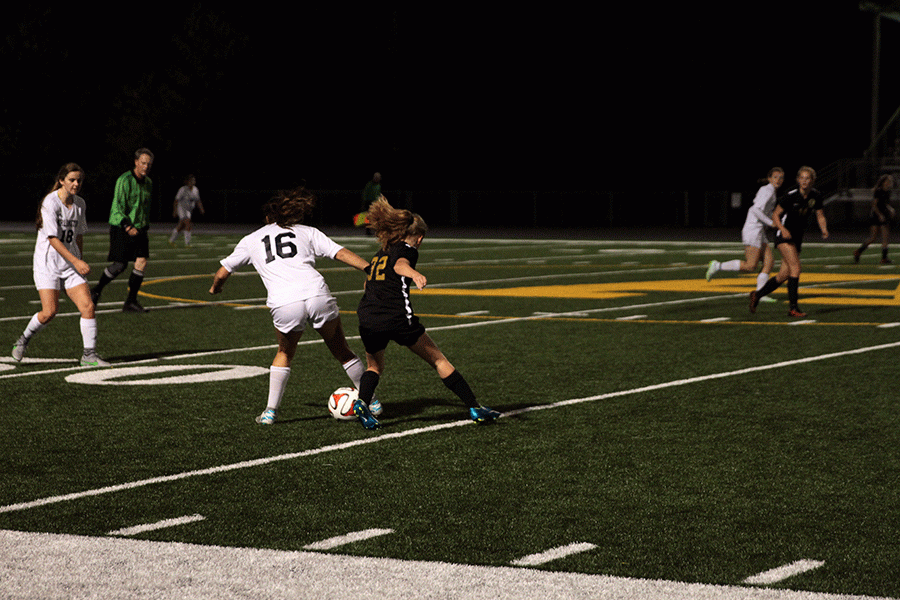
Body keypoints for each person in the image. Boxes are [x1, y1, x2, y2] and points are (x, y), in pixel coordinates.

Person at [209, 186, 376, 425]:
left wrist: (216, 287)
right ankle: (373, 402)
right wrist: (369, 269)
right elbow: (339, 253)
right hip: (316, 293)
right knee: (341, 350)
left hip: (285, 302)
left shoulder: (251, 239)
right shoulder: (307, 231)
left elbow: (223, 272)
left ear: (268, 218)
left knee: (285, 353)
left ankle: (269, 412)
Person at [353, 196, 500, 430]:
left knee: (374, 367)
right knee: (439, 359)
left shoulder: (380, 252)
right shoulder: (407, 249)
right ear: (419, 238)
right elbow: (400, 265)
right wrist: (414, 274)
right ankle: (475, 407)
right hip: (397, 318)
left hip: (368, 317)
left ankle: (362, 402)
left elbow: (368, 283)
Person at [11, 163, 109, 367]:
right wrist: (77, 261)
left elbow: (79, 235)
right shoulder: (51, 202)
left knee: (88, 306)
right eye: (72, 179)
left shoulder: (80, 204)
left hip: (70, 266)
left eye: (79, 180)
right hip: (48, 265)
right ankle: (23, 340)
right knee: (49, 312)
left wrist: (78, 260)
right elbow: (53, 239)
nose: (76, 183)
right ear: (61, 180)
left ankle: (88, 355)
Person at [750, 166, 829, 317]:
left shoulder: (816, 196)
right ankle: (793, 308)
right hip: (784, 235)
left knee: (783, 275)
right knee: (796, 269)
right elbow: (775, 215)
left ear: (812, 181)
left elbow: (820, 215)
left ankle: (757, 295)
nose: (805, 181)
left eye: (808, 178)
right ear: (798, 180)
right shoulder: (790, 196)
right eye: (802, 178)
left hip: (797, 236)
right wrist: (783, 229)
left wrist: (824, 229)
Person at [91, 148, 154, 313]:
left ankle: (131, 301)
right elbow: (117, 207)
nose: (146, 166)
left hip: (140, 229)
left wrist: (143, 225)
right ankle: (96, 290)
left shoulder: (149, 183)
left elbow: (145, 209)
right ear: (136, 162)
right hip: (121, 227)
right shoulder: (124, 180)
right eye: (143, 163)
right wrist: (127, 225)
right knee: (120, 265)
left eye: (148, 164)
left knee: (141, 262)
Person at [706, 168, 784, 300]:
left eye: (781, 178)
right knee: (750, 266)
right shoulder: (767, 190)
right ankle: (717, 266)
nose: (778, 180)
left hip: (759, 231)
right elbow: (755, 209)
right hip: (753, 229)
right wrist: (771, 223)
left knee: (769, 262)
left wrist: (776, 220)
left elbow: (765, 212)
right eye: (775, 177)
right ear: (769, 178)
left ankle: (760, 293)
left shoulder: (772, 192)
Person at [853, 174, 894, 264]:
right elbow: (874, 205)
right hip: (876, 215)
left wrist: (890, 209)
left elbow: (884, 204)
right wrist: (879, 215)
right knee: (873, 238)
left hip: (884, 214)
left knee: (885, 238)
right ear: (883, 182)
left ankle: (884, 258)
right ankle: (858, 251)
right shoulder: (878, 191)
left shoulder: (888, 192)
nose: (889, 183)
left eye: (890, 182)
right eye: (887, 181)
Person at [168, 174, 205, 247]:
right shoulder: (183, 189)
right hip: (181, 209)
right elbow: (176, 201)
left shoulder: (195, 189)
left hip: (188, 210)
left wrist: (201, 209)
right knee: (188, 224)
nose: (193, 182)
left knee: (181, 226)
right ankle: (187, 243)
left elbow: (198, 200)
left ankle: (171, 241)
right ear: (187, 181)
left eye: (194, 180)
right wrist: (175, 211)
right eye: (191, 180)